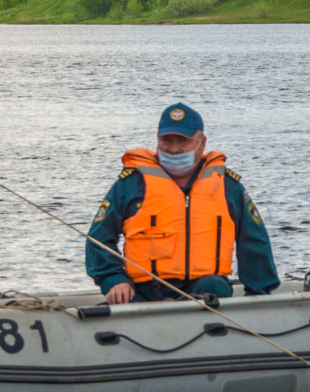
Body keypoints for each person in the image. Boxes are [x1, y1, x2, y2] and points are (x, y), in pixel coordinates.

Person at [87, 103, 279, 304]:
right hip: (144, 291)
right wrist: (114, 279)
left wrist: (259, 296)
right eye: (166, 141)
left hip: (207, 289)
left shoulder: (228, 186)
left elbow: (254, 241)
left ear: (201, 143)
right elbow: (98, 238)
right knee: (121, 296)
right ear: (157, 139)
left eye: (183, 141)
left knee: (214, 286)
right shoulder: (130, 184)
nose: (174, 148)